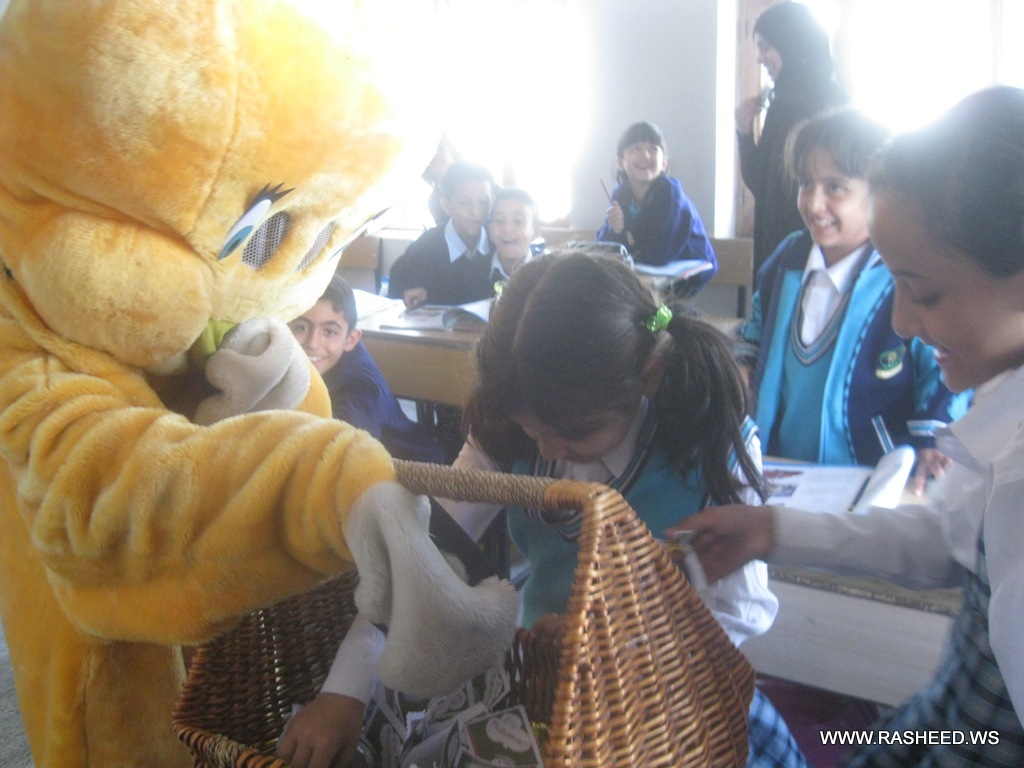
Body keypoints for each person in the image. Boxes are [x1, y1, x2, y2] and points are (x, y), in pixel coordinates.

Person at [281, 250, 811, 768]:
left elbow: (736, 612)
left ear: (648, 375)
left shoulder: (707, 444)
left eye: (575, 434)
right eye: (533, 432)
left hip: (666, 695)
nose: (551, 451)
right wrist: (344, 691)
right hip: (542, 685)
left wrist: (613, 647)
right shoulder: (511, 427)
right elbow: (420, 552)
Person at [683, 86, 1024, 767]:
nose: (901, 321)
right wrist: (773, 530)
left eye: (924, 292)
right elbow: (948, 538)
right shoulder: (1004, 414)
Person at [737, 107, 971, 489]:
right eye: (805, 184)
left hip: (872, 478)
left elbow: (941, 371)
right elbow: (754, 335)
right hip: (781, 470)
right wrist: (739, 375)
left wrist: (933, 439)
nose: (814, 204)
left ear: (880, 193)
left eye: (835, 187)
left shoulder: (904, 276)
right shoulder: (786, 260)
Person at [736, 1, 849, 277]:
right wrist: (744, 133)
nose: (760, 58)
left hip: (810, 246)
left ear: (789, 42)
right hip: (777, 244)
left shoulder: (825, 102)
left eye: (765, 47)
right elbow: (760, 183)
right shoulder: (781, 102)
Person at [289, 275, 445, 463]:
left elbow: (335, 454)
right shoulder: (300, 359)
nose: (313, 343)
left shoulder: (362, 388)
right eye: (301, 327)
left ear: (351, 339)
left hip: (416, 473)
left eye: (329, 331)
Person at [596, 120, 718, 291]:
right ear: (620, 162)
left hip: (685, 281)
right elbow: (605, 250)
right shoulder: (620, 195)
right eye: (636, 148)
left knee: (655, 308)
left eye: (653, 149)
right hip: (646, 279)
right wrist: (615, 229)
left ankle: (662, 311)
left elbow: (660, 254)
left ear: (664, 163)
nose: (645, 156)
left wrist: (628, 255)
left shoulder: (671, 195)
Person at [387, 159, 496, 308]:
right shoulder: (425, 248)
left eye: (483, 202)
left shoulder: (498, 242)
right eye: (465, 202)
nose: (475, 212)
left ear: (492, 203)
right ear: (446, 205)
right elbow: (410, 303)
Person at [487, 187, 541, 287]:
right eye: (499, 220)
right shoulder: (474, 272)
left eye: (518, 221)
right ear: (490, 230)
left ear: (536, 232)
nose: (507, 228)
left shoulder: (547, 275)